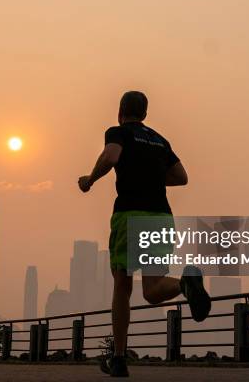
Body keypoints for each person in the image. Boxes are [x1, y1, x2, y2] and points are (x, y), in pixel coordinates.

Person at [78, 91, 211, 377]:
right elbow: (181, 177)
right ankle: (186, 283)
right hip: (161, 217)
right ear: (146, 114)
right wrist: (151, 174)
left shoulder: (118, 132)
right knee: (152, 290)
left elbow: (111, 156)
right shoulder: (160, 141)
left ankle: (119, 359)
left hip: (130, 214)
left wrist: (89, 180)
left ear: (120, 112)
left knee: (122, 286)